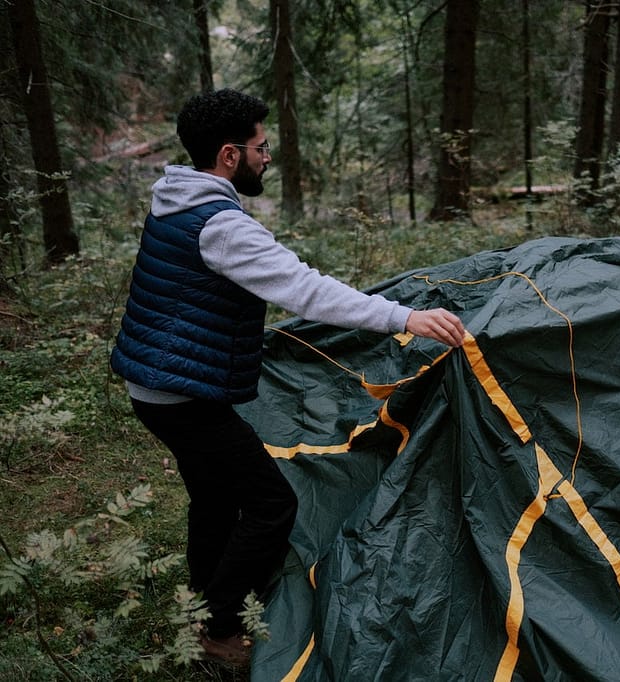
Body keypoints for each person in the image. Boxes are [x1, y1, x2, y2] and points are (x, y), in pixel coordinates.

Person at [110, 89, 465, 667]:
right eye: (260, 146)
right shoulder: (220, 225)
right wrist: (406, 317)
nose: (267, 156)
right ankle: (220, 629)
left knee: (214, 497)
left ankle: (203, 607)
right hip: (180, 396)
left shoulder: (176, 196)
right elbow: (305, 289)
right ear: (229, 155)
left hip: (157, 385)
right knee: (272, 503)